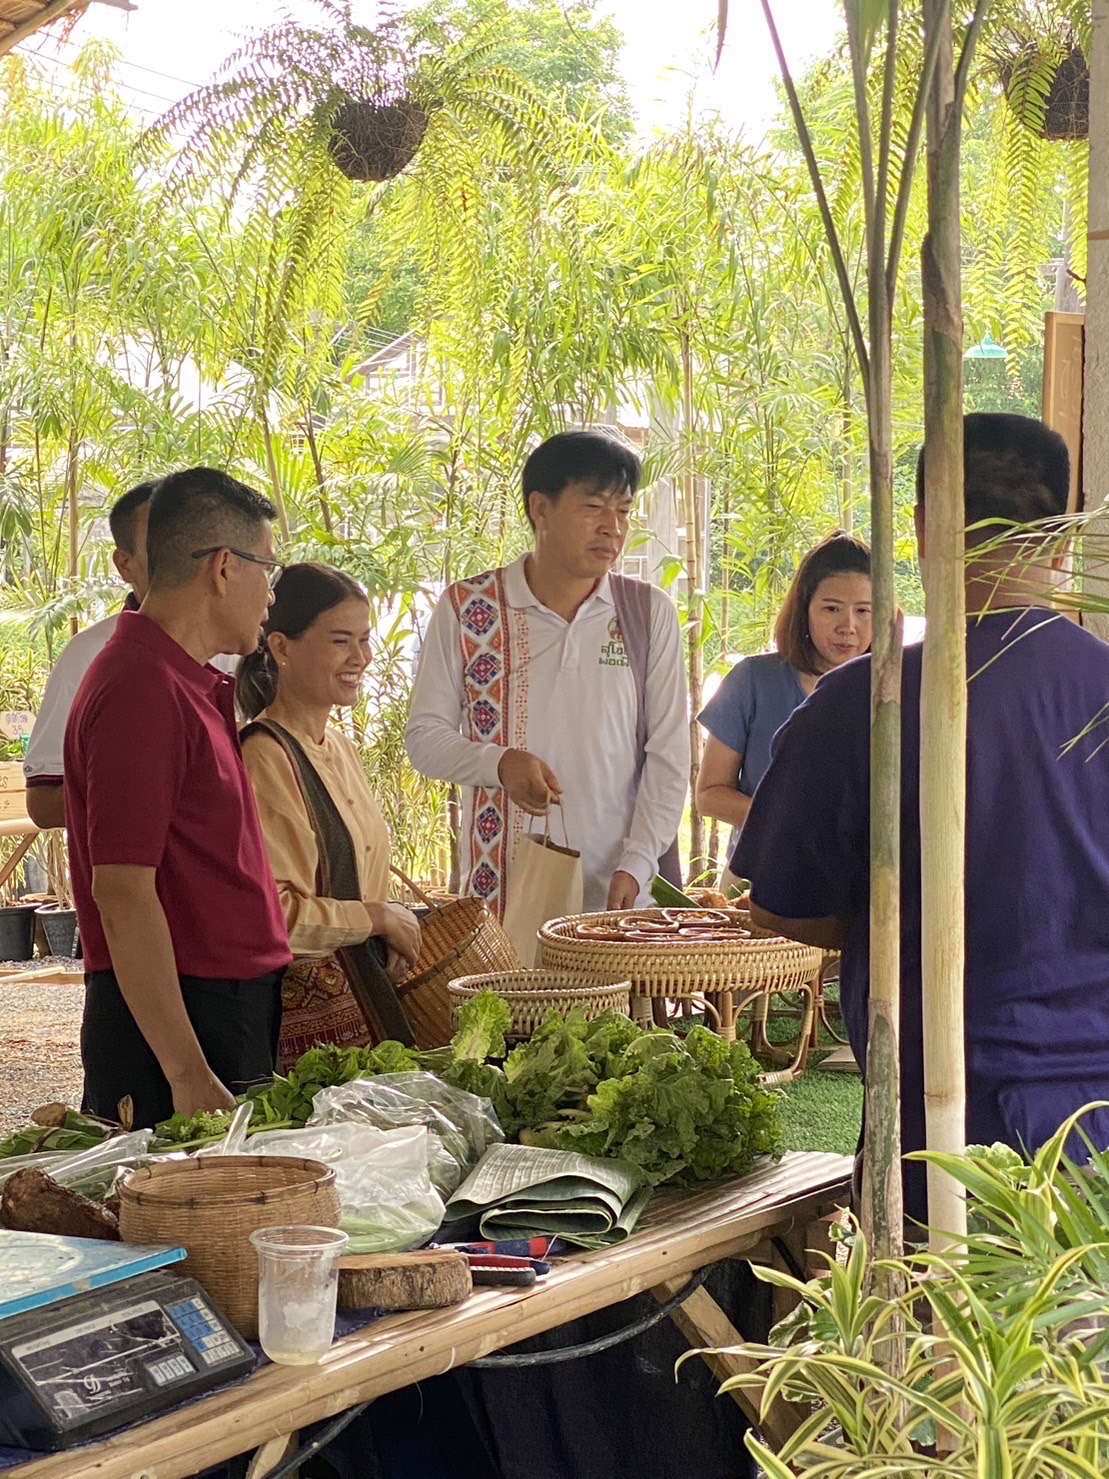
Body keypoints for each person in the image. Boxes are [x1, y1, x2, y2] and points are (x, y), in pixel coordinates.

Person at [734, 413, 1109, 1227]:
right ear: (1062, 536)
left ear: (920, 529)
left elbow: (778, 904)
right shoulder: (1100, 686)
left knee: (942, 1346)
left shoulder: (862, 704)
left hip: (940, 1109)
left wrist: (899, 921)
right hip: (1095, 1097)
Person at [64, 467, 291, 1129]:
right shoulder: (142, 683)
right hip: (179, 1016)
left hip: (219, 1003)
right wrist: (187, 1069)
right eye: (265, 571)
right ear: (223, 566)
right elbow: (124, 890)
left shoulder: (182, 677)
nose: (270, 597)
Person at [405, 428, 689, 916]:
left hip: (616, 902)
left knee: (611, 996)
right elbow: (424, 739)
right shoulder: (470, 609)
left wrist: (639, 862)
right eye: (594, 507)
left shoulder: (646, 613)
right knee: (506, 996)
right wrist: (499, 764)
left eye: (622, 511)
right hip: (502, 897)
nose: (613, 528)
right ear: (540, 509)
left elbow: (668, 755)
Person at [237, 563, 422, 1067]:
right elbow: (274, 916)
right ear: (280, 647)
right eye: (341, 641)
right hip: (309, 1034)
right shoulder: (266, 755)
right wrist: (376, 917)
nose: (360, 658)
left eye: (364, 640)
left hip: (363, 1006)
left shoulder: (337, 745)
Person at [696, 532, 871, 879]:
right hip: (758, 878)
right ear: (804, 610)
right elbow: (710, 794)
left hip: (860, 883)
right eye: (831, 608)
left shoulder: (892, 691)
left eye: (864, 611)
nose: (847, 627)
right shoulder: (752, 680)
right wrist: (786, 820)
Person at [23, 481, 157, 830]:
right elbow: (43, 805)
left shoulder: (243, 651)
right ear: (124, 564)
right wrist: (156, 779)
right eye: (160, 546)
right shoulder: (88, 656)